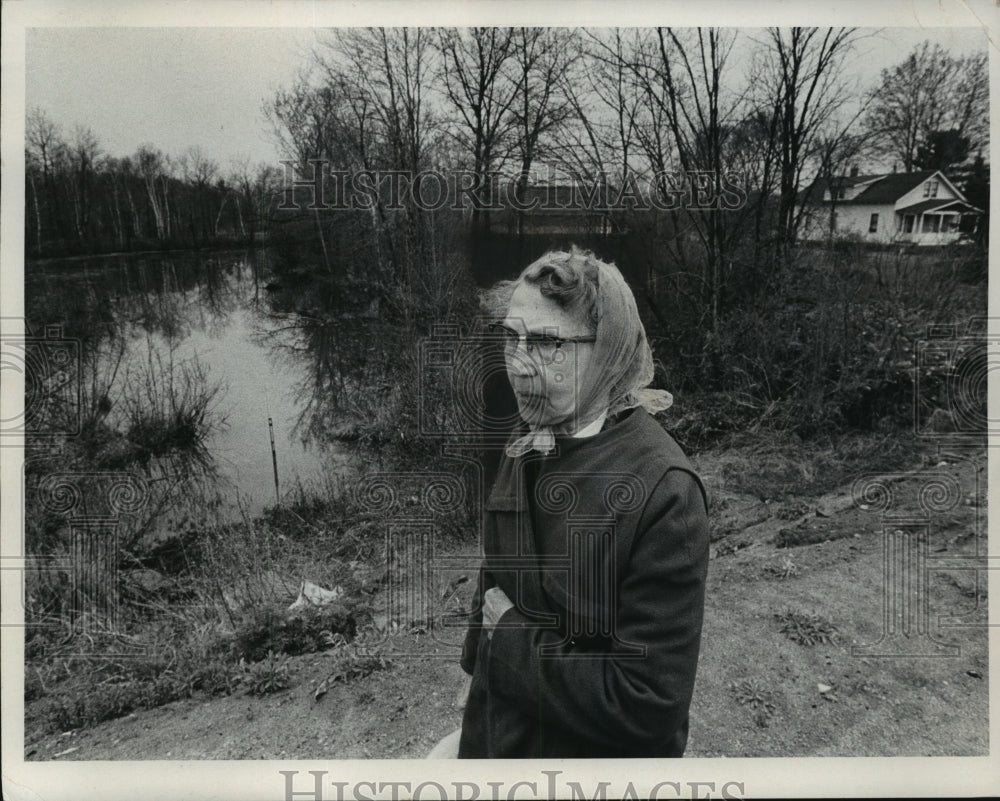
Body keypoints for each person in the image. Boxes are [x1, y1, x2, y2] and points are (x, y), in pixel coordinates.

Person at [442, 246, 711, 759]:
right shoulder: (530, 433)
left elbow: (647, 705)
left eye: (545, 342)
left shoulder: (665, 493)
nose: (518, 366)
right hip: (497, 741)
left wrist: (508, 643)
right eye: (511, 338)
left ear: (606, 352)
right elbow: (497, 567)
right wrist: (477, 667)